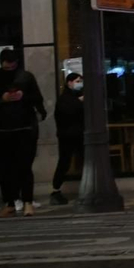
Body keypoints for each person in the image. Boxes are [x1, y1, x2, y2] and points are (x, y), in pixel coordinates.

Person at [0, 49, 46, 217]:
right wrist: (2, 99)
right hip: (3, 129)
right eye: (7, 66)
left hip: (22, 128)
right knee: (6, 169)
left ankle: (26, 202)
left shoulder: (24, 78)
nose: (9, 68)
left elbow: (37, 99)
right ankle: (11, 202)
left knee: (23, 167)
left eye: (12, 65)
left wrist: (23, 97)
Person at [48, 73, 84, 205]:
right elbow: (67, 112)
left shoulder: (77, 96)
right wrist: (79, 102)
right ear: (69, 82)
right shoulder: (65, 98)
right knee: (64, 162)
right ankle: (56, 190)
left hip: (78, 134)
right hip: (68, 136)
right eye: (77, 81)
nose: (79, 84)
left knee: (83, 160)